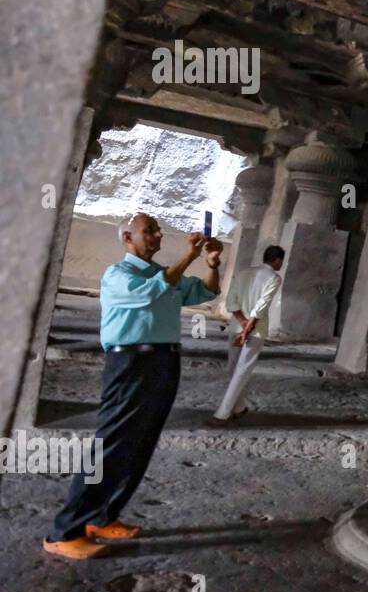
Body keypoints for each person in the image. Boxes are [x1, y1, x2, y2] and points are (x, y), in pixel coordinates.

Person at [44, 212, 222, 560]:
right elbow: (155, 292)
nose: (157, 235)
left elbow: (206, 291)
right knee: (110, 444)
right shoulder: (118, 275)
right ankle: (63, 532)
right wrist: (189, 257)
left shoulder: (162, 274)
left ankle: (102, 516)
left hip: (163, 361)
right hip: (130, 364)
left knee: (140, 443)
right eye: (149, 231)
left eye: (157, 230)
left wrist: (212, 263)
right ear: (128, 238)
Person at [209, 245, 284, 425]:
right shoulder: (274, 278)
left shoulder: (244, 273)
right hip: (256, 330)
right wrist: (248, 327)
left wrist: (242, 323)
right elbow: (261, 306)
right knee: (242, 371)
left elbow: (231, 302)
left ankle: (239, 408)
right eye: (281, 260)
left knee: (233, 368)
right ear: (277, 260)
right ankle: (222, 414)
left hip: (236, 325)